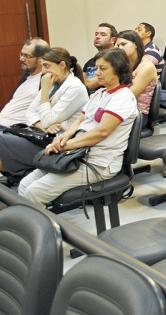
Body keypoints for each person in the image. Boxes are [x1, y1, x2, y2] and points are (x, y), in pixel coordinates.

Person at [18, 48, 138, 207]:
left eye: (103, 68)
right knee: (24, 185)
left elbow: (102, 131)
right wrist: (63, 137)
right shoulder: (100, 93)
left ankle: (40, 230)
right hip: (77, 155)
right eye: (97, 68)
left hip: (98, 163)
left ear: (118, 69)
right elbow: (79, 121)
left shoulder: (123, 97)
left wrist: (65, 146)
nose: (98, 73)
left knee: (34, 192)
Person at [0, 46, 87, 177]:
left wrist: (45, 91)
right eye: (43, 66)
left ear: (62, 65)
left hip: (55, 144)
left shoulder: (75, 88)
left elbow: (48, 120)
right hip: (40, 135)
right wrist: (43, 127)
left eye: (47, 66)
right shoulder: (54, 83)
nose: (44, 71)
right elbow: (30, 113)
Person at [0, 38, 49, 128]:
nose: (21, 59)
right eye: (21, 54)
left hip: (16, 130)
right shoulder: (26, 77)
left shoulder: (46, 80)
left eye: (27, 56)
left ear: (41, 59)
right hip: (3, 126)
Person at [116, 30, 158, 122]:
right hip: (121, 109)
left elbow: (129, 95)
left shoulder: (147, 66)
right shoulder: (124, 65)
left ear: (135, 44)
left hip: (137, 114)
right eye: (118, 45)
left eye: (124, 44)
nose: (120, 48)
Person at [83, 23, 117, 91]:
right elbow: (83, 84)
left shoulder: (117, 60)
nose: (97, 37)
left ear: (112, 40)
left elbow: (90, 84)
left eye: (103, 34)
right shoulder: (89, 62)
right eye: (96, 34)